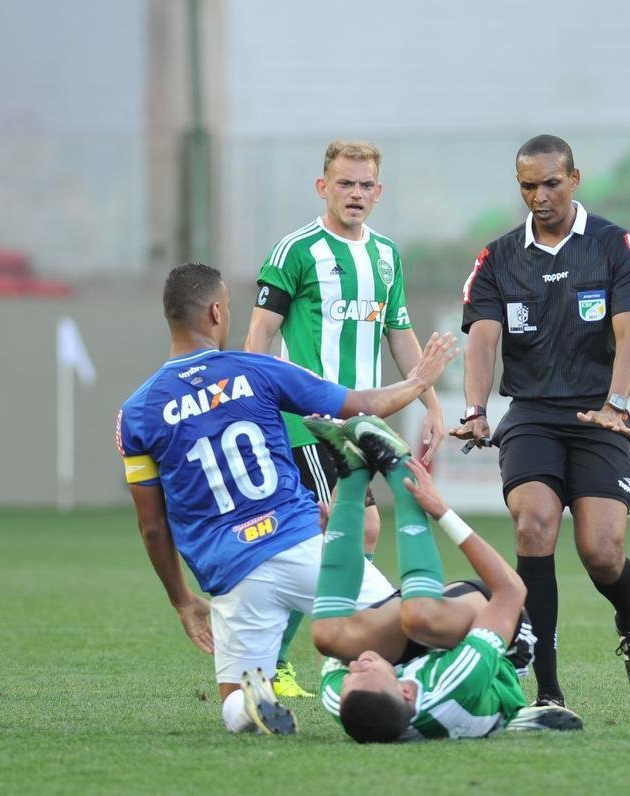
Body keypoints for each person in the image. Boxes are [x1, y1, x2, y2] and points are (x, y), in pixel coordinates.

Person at [116, 262, 457, 734]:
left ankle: (251, 704)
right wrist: (419, 381)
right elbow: (361, 405)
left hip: (231, 572)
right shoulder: (257, 369)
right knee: (417, 630)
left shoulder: (136, 412)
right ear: (216, 312)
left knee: (234, 700)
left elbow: (153, 526)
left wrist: (182, 600)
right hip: (298, 542)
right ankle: (463, 702)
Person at [452, 134, 630, 709]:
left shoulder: (613, 244)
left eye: (550, 183)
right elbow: (483, 341)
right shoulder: (498, 257)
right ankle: (548, 692)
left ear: (574, 178)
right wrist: (475, 410)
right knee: (533, 526)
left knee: (601, 552)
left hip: (599, 414)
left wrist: (617, 403)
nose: (539, 196)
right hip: (532, 414)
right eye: (528, 186)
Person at [243, 139, 446, 698]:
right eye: (344, 183)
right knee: (339, 528)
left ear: (379, 192)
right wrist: (256, 405)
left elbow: (399, 335)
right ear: (323, 187)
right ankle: (289, 658)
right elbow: (259, 335)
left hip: (359, 424)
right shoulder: (296, 251)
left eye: (365, 185)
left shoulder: (386, 255)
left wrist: (430, 405)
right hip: (306, 419)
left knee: (350, 531)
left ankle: (334, 646)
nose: (355, 193)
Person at [300, 415, 582, 741]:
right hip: (499, 637)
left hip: (418, 653)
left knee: (328, 636)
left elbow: (341, 651)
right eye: (364, 669)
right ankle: (400, 469)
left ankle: (352, 471)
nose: (355, 664)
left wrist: (338, 535)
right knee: (420, 617)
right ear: (406, 691)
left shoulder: (347, 701)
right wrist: (441, 511)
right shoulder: (459, 682)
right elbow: (511, 591)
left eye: (351, 674)